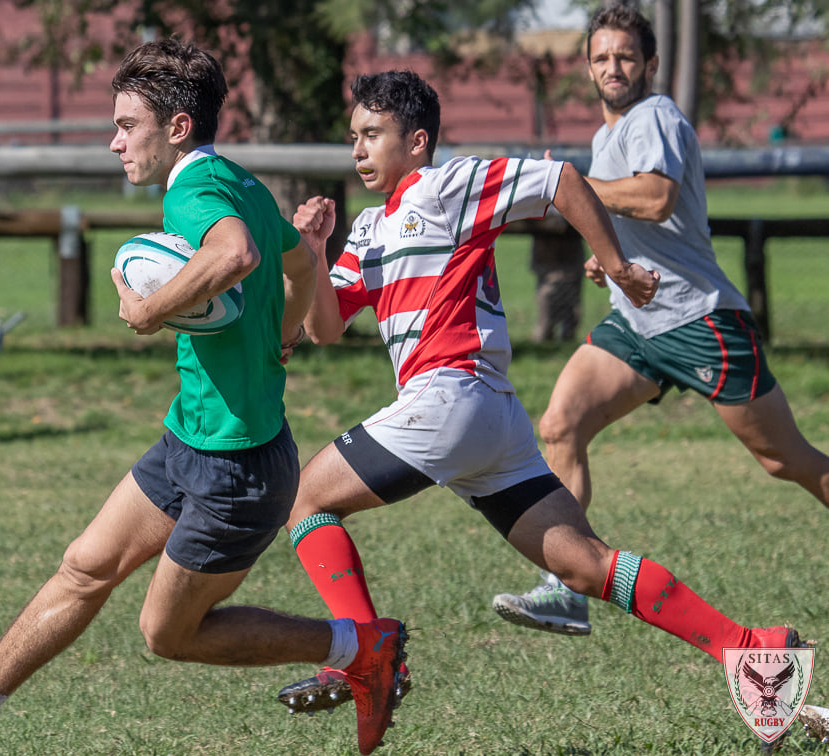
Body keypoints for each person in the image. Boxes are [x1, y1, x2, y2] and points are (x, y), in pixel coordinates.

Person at [0, 39, 408, 756]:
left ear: (177, 128)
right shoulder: (237, 179)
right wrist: (285, 333)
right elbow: (300, 257)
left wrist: (150, 312)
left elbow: (238, 255)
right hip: (193, 438)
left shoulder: (194, 190)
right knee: (86, 564)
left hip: (237, 469)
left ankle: (361, 645)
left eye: (127, 125)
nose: (115, 142)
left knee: (167, 633)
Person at [273, 71, 808, 737]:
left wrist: (613, 263)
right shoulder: (370, 230)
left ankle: (365, 654)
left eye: (372, 135)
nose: (357, 149)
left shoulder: (447, 185)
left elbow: (561, 182)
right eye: (353, 137)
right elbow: (322, 328)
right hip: (489, 419)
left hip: (451, 395)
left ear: (416, 141)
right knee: (583, 564)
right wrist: (313, 257)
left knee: (302, 499)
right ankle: (750, 648)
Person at [492, 3, 829, 637]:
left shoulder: (657, 116)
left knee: (786, 461)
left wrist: (571, 186)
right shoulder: (604, 136)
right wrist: (606, 260)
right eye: (601, 57)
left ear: (648, 63)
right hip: (636, 322)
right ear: (588, 68)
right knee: (560, 424)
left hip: (698, 319)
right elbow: (630, 217)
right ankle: (565, 588)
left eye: (624, 56)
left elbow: (654, 195)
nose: (612, 67)